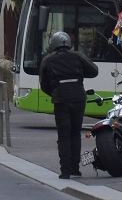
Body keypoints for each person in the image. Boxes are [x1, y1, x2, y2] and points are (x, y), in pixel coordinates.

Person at [38, 31, 99, 179]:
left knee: (63, 136)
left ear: (54, 44)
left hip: (61, 101)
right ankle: (75, 169)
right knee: (75, 134)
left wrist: (55, 92)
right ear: (68, 43)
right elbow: (94, 70)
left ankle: (65, 171)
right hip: (79, 99)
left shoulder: (48, 60)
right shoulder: (77, 56)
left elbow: (44, 84)